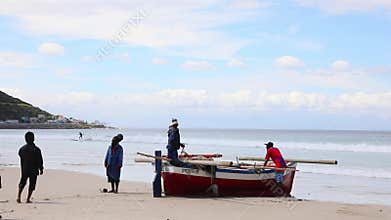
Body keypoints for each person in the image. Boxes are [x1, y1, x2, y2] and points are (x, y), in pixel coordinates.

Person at [17, 132, 44, 203]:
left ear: (25, 139)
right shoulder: (36, 149)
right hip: (33, 170)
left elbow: (20, 155)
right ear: (34, 139)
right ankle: (28, 199)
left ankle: (19, 196)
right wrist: (41, 169)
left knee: (22, 182)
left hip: (24, 169)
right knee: (32, 184)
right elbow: (40, 160)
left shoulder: (22, 149)